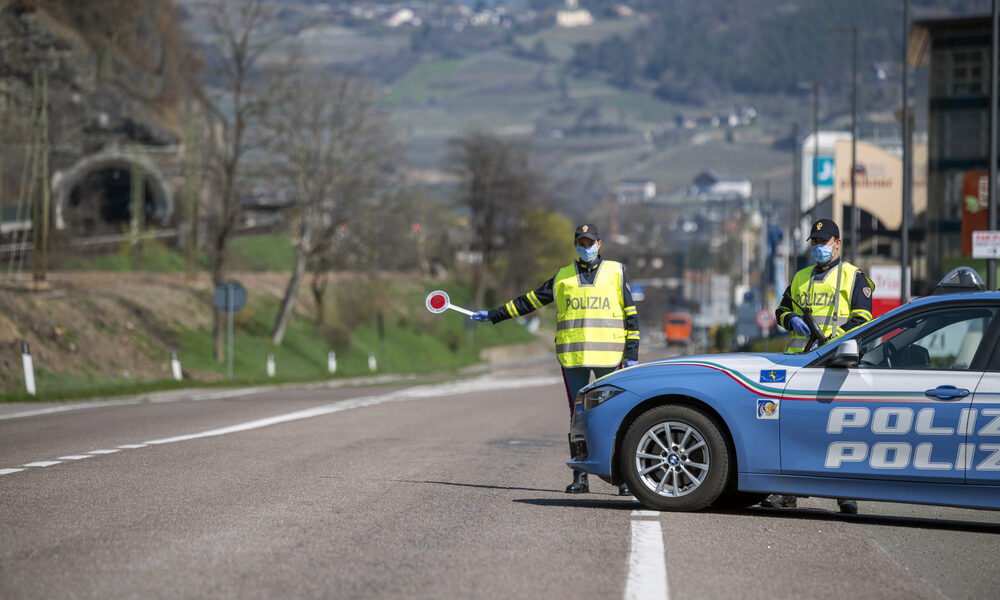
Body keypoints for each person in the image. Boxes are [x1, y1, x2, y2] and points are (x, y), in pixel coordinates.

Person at [471, 223, 640, 496]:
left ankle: (623, 479)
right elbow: (530, 301)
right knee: (579, 419)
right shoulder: (562, 277)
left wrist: (632, 354)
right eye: (580, 243)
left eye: (590, 242)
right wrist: (494, 315)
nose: (585, 248)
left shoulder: (615, 273)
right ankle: (581, 477)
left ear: (599, 244)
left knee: (617, 416)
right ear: (575, 245)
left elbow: (631, 316)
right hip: (573, 358)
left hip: (609, 357)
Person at [763, 218, 874, 515]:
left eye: (823, 241)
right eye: (814, 242)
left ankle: (845, 494)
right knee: (793, 428)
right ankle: (786, 492)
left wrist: (833, 343)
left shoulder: (854, 277)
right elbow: (782, 309)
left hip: (838, 362)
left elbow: (863, 320)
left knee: (839, 431)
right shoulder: (800, 277)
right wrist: (790, 319)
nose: (818, 247)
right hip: (801, 363)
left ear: (837, 243)